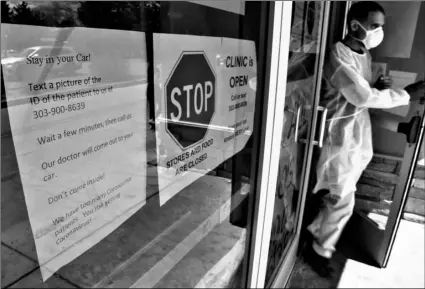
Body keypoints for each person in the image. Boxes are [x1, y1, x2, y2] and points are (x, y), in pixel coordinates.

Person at [305, 1, 425, 277]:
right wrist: (407, 93)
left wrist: (376, 87)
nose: (379, 31)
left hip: (356, 136)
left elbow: (364, 91)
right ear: (354, 25)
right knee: (342, 200)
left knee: (338, 195)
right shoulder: (339, 55)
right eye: (374, 25)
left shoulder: (364, 55)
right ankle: (319, 250)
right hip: (339, 136)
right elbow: (359, 96)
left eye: (381, 26)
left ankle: (315, 233)